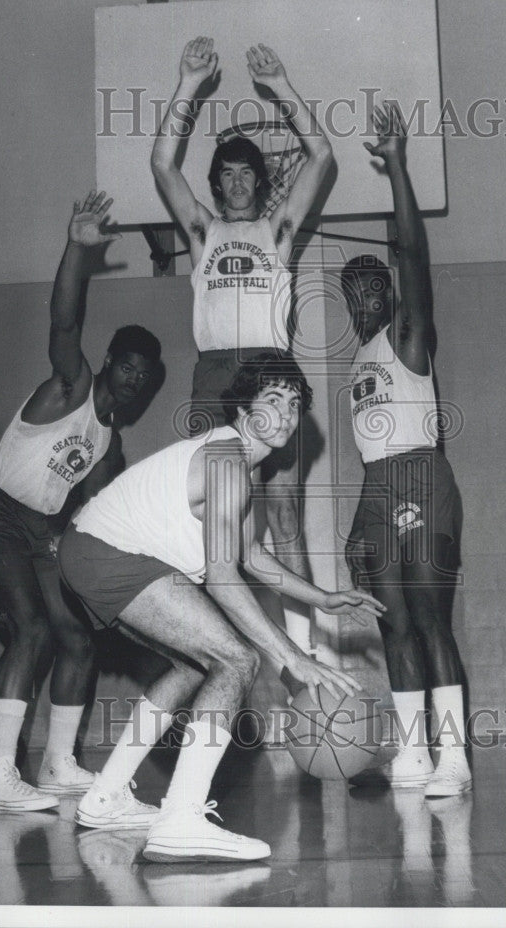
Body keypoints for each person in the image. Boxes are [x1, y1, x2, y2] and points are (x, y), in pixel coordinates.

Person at [57, 353, 385, 862]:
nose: (286, 413)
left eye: (295, 404)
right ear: (243, 408)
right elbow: (224, 577)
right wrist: (291, 657)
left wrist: (320, 597)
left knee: (192, 668)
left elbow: (249, 554)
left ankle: (105, 796)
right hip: (108, 553)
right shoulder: (228, 460)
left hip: (95, 551)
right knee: (237, 659)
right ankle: (181, 820)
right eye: (272, 399)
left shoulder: (235, 466)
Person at [0, 191, 161, 812]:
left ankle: (58, 763)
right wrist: (76, 247)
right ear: (107, 364)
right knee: (32, 628)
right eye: (125, 368)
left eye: (141, 378)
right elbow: (64, 322)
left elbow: (87, 517)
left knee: (76, 640)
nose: (131, 381)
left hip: (39, 531)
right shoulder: (70, 385)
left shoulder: (110, 448)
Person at [150, 37, 334, 653]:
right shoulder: (202, 230)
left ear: (260, 178)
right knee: (213, 525)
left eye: (245, 171)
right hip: (214, 376)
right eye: (225, 172)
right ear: (217, 181)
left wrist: (280, 85)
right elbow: (162, 167)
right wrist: (187, 84)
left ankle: (306, 661)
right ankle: (212, 651)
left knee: (282, 516)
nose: (235, 181)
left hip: (271, 373)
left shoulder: (276, 230)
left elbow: (322, 153)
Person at [342, 103, 471, 796]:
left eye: (372, 288)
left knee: (428, 619)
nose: (362, 297)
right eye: (350, 291)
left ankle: (452, 759)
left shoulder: (407, 335)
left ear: (389, 294)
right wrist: (355, 526)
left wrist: (396, 167)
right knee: (392, 627)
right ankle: (412, 753)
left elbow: (413, 254)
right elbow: (367, 446)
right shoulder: (355, 360)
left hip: (423, 479)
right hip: (375, 487)